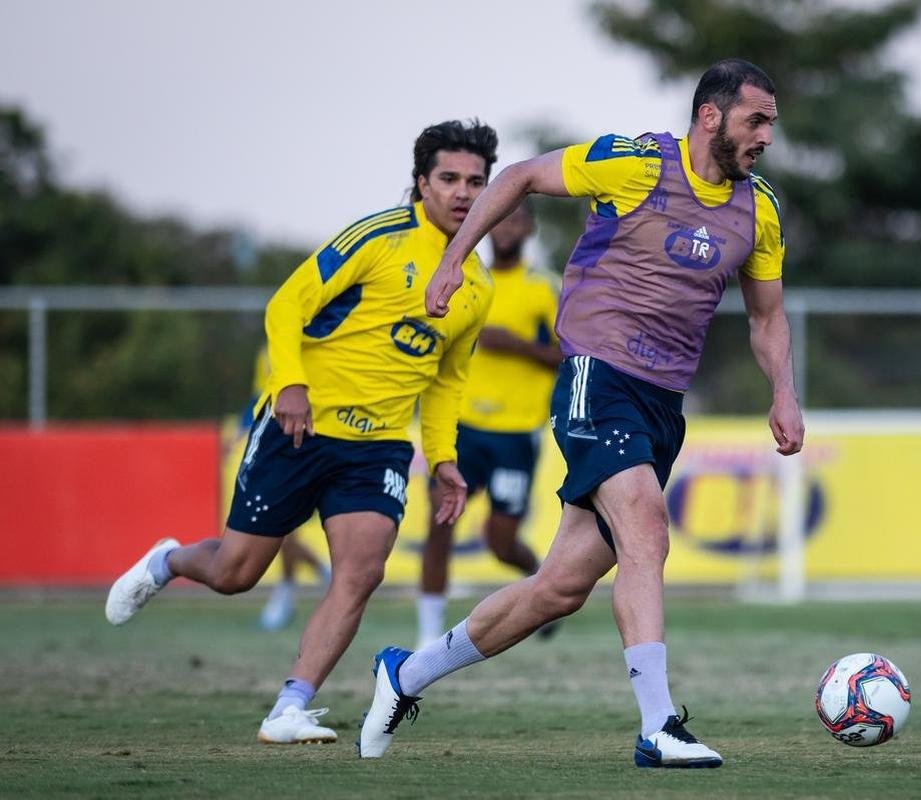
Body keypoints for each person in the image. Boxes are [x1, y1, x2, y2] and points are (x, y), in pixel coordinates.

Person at [359, 59, 804, 768]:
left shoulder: (760, 209)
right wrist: (453, 256)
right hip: (596, 377)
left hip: (661, 405)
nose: (766, 137)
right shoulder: (631, 163)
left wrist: (782, 390)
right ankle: (659, 724)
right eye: (756, 121)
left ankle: (404, 675)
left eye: (771, 125)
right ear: (710, 117)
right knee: (646, 526)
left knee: (558, 589)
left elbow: (767, 316)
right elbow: (520, 177)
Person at [105, 119, 499, 745]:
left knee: (361, 572)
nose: (461, 192)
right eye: (448, 178)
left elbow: (447, 380)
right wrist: (289, 384)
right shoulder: (379, 237)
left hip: (379, 448)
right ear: (420, 182)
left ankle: (289, 706)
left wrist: (444, 457)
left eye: (475, 182)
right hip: (301, 426)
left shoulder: (477, 283)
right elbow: (287, 304)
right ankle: (168, 559)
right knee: (236, 574)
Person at [416, 201, 561, 648]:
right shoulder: (467, 279)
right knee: (439, 523)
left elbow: (570, 355)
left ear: (529, 228)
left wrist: (516, 345)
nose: (505, 230)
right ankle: (426, 636)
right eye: (499, 222)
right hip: (461, 427)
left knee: (500, 542)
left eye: (516, 220)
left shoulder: (543, 288)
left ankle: (543, 583)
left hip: (516, 435)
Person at [238, 343, 333, 632]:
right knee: (281, 530)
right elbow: (262, 393)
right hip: (282, 448)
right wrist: (242, 431)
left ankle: (317, 585)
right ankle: (310, 581)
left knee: (290, 531)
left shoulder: (329, 340)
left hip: (326, 444)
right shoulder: (269, 350)